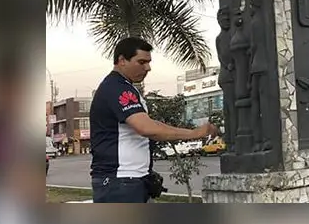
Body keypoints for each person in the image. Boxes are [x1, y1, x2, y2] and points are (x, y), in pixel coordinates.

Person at [90, 37, 219, 203]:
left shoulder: (124, 86)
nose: (148, 68)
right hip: (120, 181)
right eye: (141, 62)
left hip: (131, 179)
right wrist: (195, 133)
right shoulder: (116, 88)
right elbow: (147, 128)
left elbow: (151, 124)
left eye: (149, 62)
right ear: (122, 60)